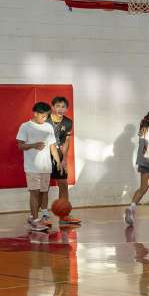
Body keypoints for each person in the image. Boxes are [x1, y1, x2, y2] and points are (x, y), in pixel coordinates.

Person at [15, 102, 60, 233]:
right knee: (34, 193)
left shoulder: (48, 127)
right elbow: (20, 146)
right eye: (43, 116)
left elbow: (52, 146)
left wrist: (58, 162)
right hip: (32, 168)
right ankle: (35, 220)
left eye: (47, 116)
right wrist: (33, 145)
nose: (45, 119)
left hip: (46, 167)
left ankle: (43, 215)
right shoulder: (25, 126)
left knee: (44, 192)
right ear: (35, 113)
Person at [47, 96, 80, 225]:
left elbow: (66, 142)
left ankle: (64, 215)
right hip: (45, 155)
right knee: (42, 188)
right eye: (58, 106)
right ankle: (41, 217)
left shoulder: (68, 122)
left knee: (63, 183)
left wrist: (64, 159)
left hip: (59, 155)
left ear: (67, 108)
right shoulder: (46, 120)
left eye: (63, 106)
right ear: (53, 107)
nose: (61, 109)